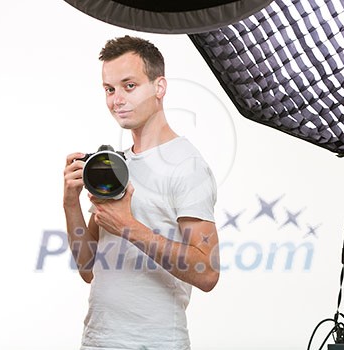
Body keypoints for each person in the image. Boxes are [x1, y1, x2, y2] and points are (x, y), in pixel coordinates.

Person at [63, 35, 220, 350]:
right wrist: (70, 203)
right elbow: (88, 269)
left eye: (129, 86)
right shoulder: (115, 164)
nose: (116, 99)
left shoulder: (186, 165)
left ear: (159, 87)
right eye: (110, 89)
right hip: (97, 339)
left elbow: (207, 273)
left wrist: (129, 228)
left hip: (156, 342)